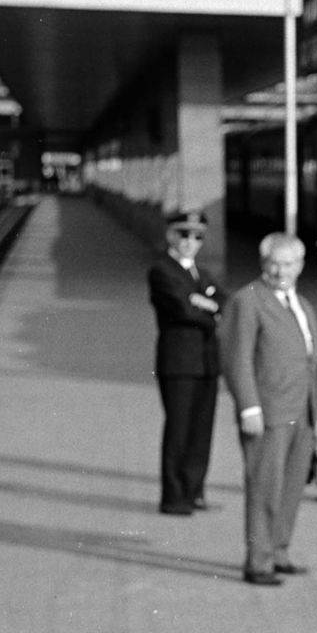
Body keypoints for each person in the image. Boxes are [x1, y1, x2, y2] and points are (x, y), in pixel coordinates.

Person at [220, 234, 317, 586]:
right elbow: (237, 359)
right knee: (264, 487)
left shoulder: (302, 304)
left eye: (289, 264)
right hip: (269, 412)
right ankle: (258, 561)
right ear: (263, 264)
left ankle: (279, 550)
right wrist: (249, 407)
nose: (282, 271)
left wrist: (315, 412)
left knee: (291, 486)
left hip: (301, 412)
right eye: (274, 263)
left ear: (300, 265)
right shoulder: (247, 301)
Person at [146, 209, 222, 515]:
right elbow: (182, 309)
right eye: (184, 234)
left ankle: (194, 492)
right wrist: (206, 306)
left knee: (201, 430)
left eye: (197, 236)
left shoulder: (201, 275)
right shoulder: (162, 271)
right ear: (170, 236)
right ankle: (173, 496)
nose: (191, 242)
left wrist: (203, 303)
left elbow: (224, 303)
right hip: (178, 362)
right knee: (178, 429)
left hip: (206, 362)